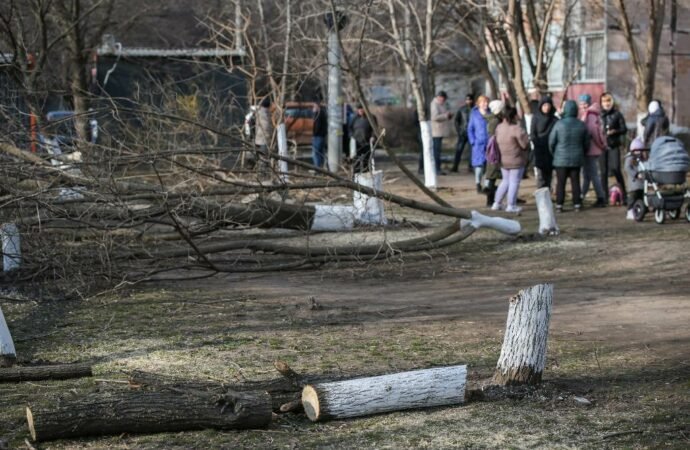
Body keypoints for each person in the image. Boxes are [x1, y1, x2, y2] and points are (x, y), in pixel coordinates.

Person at [549, 100, 590, 212]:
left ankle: (559, 205)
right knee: (575, 182)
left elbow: (551, 142)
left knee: (560, 183)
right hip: (576, 158)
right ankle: (577, 203)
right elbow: (586, 143)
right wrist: (582, 153)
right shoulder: (581, 125)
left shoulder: (559, 124)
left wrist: (555, 153)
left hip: (560, 159)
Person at [492, 106, 530, 213]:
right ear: (513, 116)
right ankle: (511, 205)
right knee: (514, 182)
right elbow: (524, 145)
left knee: (505, 181)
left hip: (503, 159)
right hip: (516, 160)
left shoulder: (499, 127)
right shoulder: (516, 129)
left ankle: (497, 203)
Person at [578, 94, 607, 207]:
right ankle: (581, 196)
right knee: (587, 175)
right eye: (581, 104)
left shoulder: (590, 114)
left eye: (585, 103)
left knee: (592, 175)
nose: (583, 106)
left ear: (589, 103)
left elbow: (593, 132)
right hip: (590, 149)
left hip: (591, 149)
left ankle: (601, 197)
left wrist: (601, 145)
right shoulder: (589, 114)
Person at [599, 92, 628, 202]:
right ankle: (604, 196)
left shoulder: (617, 114)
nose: (606, 104)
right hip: (601, 146)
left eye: (608, 101)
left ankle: (624, 194)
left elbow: (624, 129)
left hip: (613, 145)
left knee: (616, 169)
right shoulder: (599, 115)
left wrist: (615, 131)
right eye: (604, 101)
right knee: (603, 172)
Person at [530, 96, 558, 190]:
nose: (547, 107)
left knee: (549, 176)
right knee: (541, 176)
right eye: (544, 105)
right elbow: (533, 134)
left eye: (548, 105)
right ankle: (541, 197)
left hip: (551, 151)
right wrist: (537, 143)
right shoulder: (536, 118)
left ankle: (548, 196)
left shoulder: (554, 119)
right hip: (540, 151)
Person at [483, 99, 504, 204]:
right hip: (495, 150)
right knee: (492, 176)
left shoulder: (493, 119)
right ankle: (490, 199)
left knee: (493, 176)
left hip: (494, 149)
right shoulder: (495, 121)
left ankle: (492, 198)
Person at [467, 95, 490, 193]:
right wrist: (473, 141)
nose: (485, 104)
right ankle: (478, 184)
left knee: (489, 166)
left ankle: (487, 186)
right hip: (478, 144)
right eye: (483, 102)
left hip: (489, 144)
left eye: (486, 102)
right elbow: (470, 129)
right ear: (479, 103)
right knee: (479, 166)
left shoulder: (491, 113)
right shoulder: (474, 114)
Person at [349, 104, 377, 173]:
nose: (361, 110)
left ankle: (366, 173)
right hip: (357, 142)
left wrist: (373, 136)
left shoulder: (371, 117)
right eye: (359, 109)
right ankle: (356, 176)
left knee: (367, 159)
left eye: (362, 109)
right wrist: (352, 136)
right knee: (356, 160)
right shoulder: (354, 118)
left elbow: (375, 129)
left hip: (367, 141)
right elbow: (350, 128)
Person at [430, 91, 453, 175]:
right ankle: (436, 169)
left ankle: (437, 168)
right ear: (439, 97)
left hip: (439, 131)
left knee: (438, 151)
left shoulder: (441, 104)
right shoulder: (434, 104)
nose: (444, 100)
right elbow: (434, 117)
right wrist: (445, 115)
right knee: (436, 151)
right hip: (435, 131)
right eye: (443, 98)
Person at [623, 137, 646, 220]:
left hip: (642, 183)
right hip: (633, 183)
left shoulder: (641, 158)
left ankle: (640, 210)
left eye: (640, 150)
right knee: (632, 197)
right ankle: (630, 211)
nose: (639, 152)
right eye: (637, 150)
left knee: (641, 197)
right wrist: (636, 174)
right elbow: (627, 168)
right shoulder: (630, 158)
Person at [451, 94, 474, 172]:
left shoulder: (474, 109)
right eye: (467, 100)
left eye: (470, 99)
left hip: (472, 133)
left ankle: (470, 167)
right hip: (463, 133)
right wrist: (459, 130)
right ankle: (455, 166)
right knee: (459, 150)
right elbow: (456, 121)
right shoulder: (461, 109)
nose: (469, 101)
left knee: (472, 151)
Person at [254, 96, 274, 173]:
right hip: (264, 139)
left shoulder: (259, 112)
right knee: (263, 157)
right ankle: (262, 172)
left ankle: (262, 171)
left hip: (258, 138)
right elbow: (268, 127)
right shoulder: (266, 114)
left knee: (261, 157)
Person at [311, 103, 328, 168]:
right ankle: (321, 167)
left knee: (316, 153)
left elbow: (317, 126)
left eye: (314, 107)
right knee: (321, 153)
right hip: (322, 136)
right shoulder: (323, 114)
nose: (313, 109)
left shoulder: (318, 115)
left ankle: (317, 168)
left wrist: (314, 134)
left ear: (317, 107)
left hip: (318, 136)